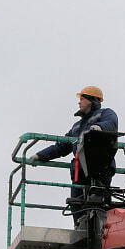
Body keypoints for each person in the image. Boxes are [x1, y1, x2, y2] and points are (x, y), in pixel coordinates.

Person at [28, 85, 118, 225]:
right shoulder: (77, 126)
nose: (79, 102)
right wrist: (40, 155)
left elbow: (111, 123)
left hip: (101, 167)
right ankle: (80, 230)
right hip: (80, 170)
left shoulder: (105, 113)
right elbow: (62, 146)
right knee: (77, 205)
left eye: (82, 99)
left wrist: (100, 128)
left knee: (99, 203)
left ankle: (101, 231)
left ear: (91, 100)